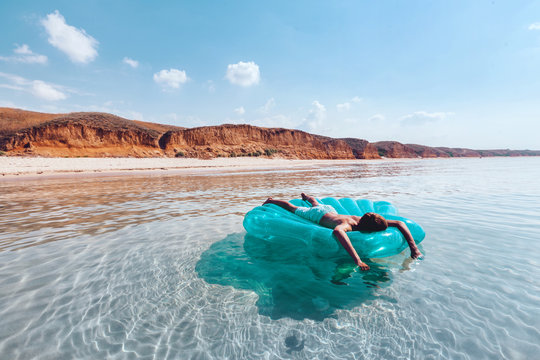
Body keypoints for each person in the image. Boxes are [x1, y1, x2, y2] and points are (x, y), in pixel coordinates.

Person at [263, 193, 423, 270]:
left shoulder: (364, 219)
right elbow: (339, 232)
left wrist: (413, 247)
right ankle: (272, 200)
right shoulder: (349, 225)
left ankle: (309, 197)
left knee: (316, 203)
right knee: (292, 208)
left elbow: (399, 222)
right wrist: (357, 260)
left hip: (329, 210)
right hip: (318, 215)